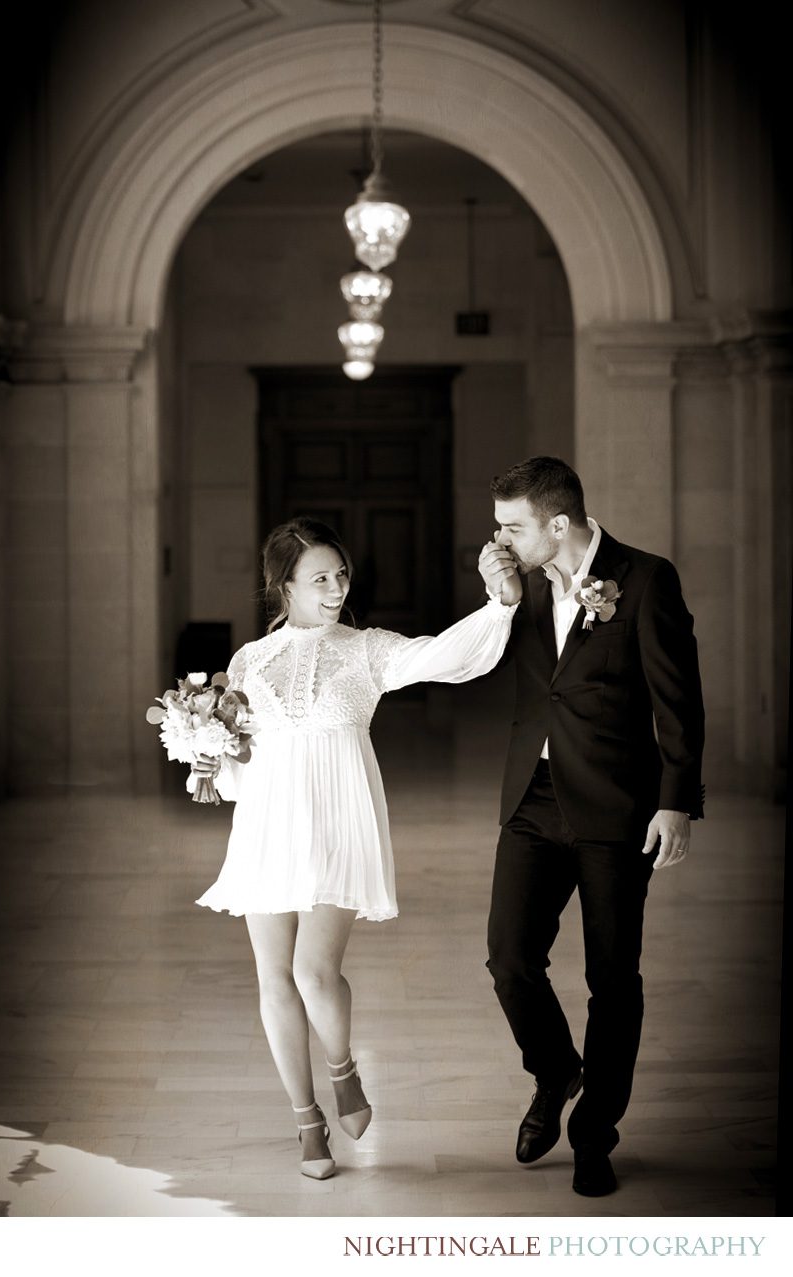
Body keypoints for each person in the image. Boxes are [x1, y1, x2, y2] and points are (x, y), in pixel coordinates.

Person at [191, 516, 517, 1180]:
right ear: (283, 585)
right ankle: (307, 1121)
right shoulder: (248, 660)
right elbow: (240, 758)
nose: (336, 587)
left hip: (340, 824)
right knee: (273, 979)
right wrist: (206, 759)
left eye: (341, 574)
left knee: (314, 972)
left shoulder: (367, 649)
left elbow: (444, 655)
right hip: (267, 827)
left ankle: (342, 1066)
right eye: (320, 579)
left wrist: (498, 606)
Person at [477, 456, 704, 1198]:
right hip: (532, 800)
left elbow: (678, 699)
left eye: (513, 526)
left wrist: (676, 799)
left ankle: (594, 1135)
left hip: (615, 805)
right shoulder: (522, 585)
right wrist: (502, 598)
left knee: (612, 979)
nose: (500, 537)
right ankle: (555, 1071)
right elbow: (495, 666)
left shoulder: (644, 578)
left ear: (560, 525)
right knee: (510, 957)